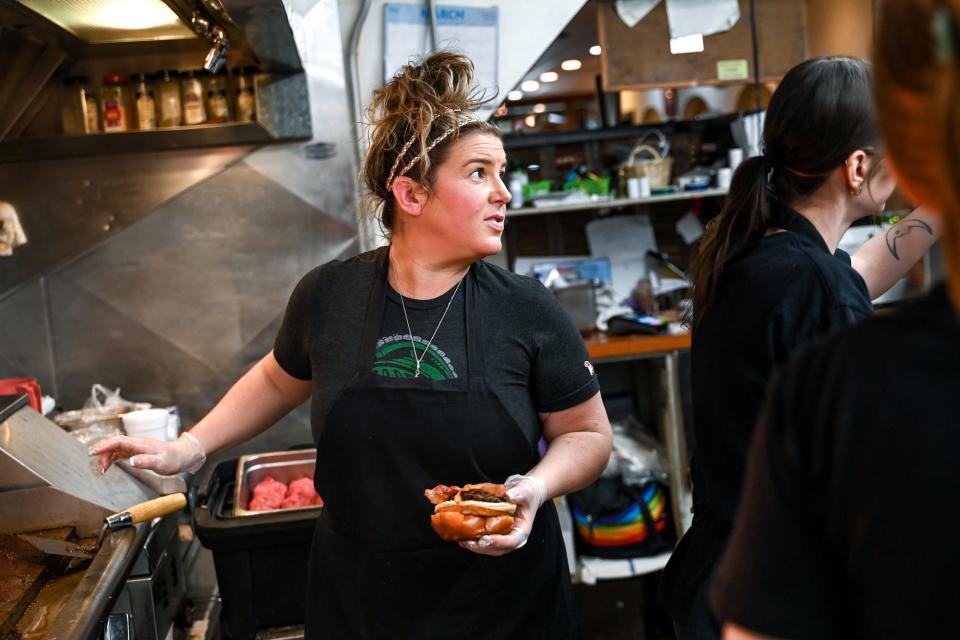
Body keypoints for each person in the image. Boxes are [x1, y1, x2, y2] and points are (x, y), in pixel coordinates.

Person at [90, 52, 613, 639]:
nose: (504, 194)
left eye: (501, 172)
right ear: (411, 195)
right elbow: (275, 379)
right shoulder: (330, 295)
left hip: (504, 609)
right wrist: (190, 448)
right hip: (363, 605)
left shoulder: (527, 308)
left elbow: (588, 435)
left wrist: (535, 488)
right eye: (478, 173)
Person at [657, 56, 942, 639]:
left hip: (718, 575)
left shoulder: (761, 253)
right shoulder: (814, 286)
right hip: (779, 598)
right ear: (859, 165)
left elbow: (858, 271)